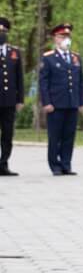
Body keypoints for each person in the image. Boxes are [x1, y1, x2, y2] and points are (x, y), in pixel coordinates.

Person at [39, 23, 83, 176]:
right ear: (56, 39)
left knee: (69, 136)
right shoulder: (49, 58)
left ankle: (66, 164)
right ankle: (55, 166)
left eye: (68, 37)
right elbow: (43, 82)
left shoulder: (75, 58)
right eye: (62, 36)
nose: (66, 39)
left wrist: (81, 102)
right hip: (55, 104)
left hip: (72, 103)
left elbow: (80, 82)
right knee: (55, 136)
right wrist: (46, 102)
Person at [0, 17, 25, 176]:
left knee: (7, 134)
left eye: (3, 32)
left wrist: (20, 99)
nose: (1, 34)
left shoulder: (14, 53)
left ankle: (3, 164)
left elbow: (19, 78)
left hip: (9, 101)